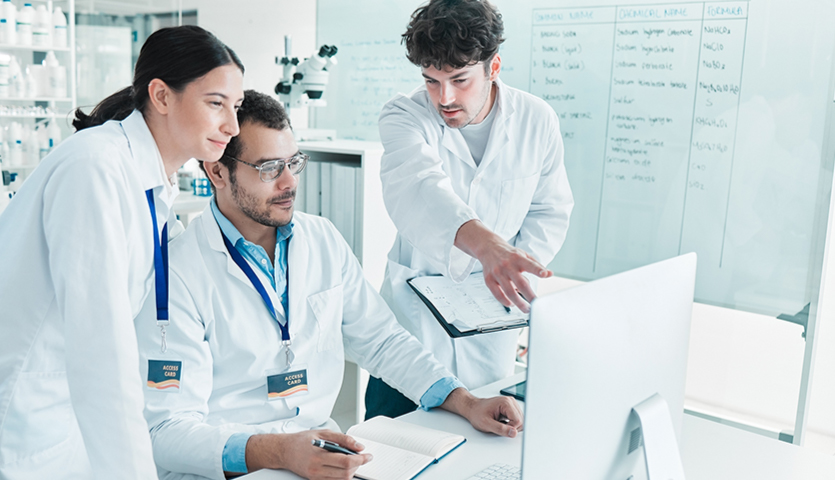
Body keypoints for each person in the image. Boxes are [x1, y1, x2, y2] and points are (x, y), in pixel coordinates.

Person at [134, 90, 523, 480]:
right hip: (231, 471)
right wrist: (280, 452)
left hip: (320, 457)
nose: (289, 182)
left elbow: (382, 340)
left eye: (293, 162)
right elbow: (166, 431)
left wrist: (465, 401)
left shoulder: (321, 239)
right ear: (217, 172)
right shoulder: (176, 272)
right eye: (270, 168)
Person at [0, 26, 244, 479]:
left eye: (237, 106)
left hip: (67, 422)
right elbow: (101, 351)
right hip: (26, 425)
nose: (232, 125)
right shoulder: (96, 167)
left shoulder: (149, 182)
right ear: (162, 96)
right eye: (216, 103)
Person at [366, 0, 575, 419]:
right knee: (390, 443)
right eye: (431, 81)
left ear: (493, 67)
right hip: (414, 331)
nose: (444, 98)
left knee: (481, 441)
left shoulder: (536, 120)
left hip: (490, 328)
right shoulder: (404, 115)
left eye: (459, 80)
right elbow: (420, 189)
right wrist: (488, 248)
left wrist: (511, 268)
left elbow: (549, 210)